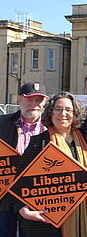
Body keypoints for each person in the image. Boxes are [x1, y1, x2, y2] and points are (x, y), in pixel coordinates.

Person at [15, 92, 87, 237]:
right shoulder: (39, 142)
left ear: (75, 113)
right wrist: (23, 210)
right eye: (58, 109)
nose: (63, 114)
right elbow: (20, 182)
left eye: (68, 109)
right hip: (47, 222)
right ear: (50, 113)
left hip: (83, 217)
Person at [0, 82, 48, 237]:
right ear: (19, 100)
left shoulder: (52, 127)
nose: (33, 104)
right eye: (29, 99)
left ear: (44, 103)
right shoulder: (2, 123)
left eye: (38, 100)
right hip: (5, 196)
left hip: (35, 195)